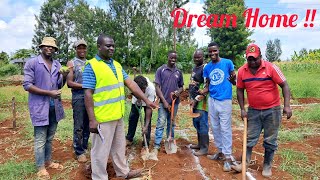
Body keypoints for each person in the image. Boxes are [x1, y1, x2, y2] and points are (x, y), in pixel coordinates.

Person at [82, 34, 157, 180]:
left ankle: (123, 172)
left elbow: (132, 84)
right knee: (100, 152)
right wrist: (92, 120)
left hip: (118, 115)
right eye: (108, 45)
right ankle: (99, 177)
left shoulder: (116, 65)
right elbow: (88, 94)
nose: (111, 48)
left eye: (113, 46)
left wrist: (146, 101)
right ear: (99, 47)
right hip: (102, 118)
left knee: (118, 147)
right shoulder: (92, 66)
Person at [235, 43, 292, 177]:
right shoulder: (242, 71)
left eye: (255, 58)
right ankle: (244, 163)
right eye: (250, 59)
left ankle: (267, 166)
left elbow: (285, 85)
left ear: (260, 56)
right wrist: (242, 109)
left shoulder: (271, 68)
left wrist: (287, 106)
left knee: (270, 140)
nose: (252, 61)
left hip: (272, 110)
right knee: (249, 138)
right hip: (253, 111)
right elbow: (239, 90)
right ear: (246, 58)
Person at [23, 37, 68, 179]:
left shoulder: (57, 64)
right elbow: (27, 85)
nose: (49, 49)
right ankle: (40, 167)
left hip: (54, 107)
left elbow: (59, 86)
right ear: (41, 47)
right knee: (40, 138)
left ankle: (48, 162)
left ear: (55, 50)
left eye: (52, 47)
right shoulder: (33, 63)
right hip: (39, 107)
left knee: (49, 137)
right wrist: (49, 93)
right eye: (47, 46)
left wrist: (65, 77)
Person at [200, 42, 237, 172]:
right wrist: (201, 92)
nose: (212, 54)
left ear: (218, 50)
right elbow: (207, 85)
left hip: (225, 100)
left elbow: (234, 80)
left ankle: (227, 157)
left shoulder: (227, 63)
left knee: (225, 128)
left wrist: (233, 80)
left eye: (214, 51)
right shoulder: (207, 67)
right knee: (215, 127)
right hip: (212, 100)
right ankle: (220, 152)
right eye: (210, 52)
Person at [152, 50, 184, 155]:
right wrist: (164, 101)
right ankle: (157, 145)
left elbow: (181, 87)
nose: (173, 60)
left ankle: (170, 140)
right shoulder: (161, 70)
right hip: (163, 102)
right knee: (161, 123)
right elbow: (157, 87)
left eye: (175, 58)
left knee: (172, 123)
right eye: (171, 57)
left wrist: (178, 92)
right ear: (168, 57)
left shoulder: (178, 72)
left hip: (175, 103)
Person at [66, 39, 89, 163]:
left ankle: (84, 146)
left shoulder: (90, 63)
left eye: (83, 48)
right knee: (79, 125)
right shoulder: (72, 63)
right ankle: (79, 151)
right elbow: (69, 83)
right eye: (79, 48)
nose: (82, 50)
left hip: (89, 96)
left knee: (88, 123)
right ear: (75, 49)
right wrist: (85, 85)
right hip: (78, 97)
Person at [188, 50, 209, 156]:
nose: (196, 59)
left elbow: (206, 86)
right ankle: (200, 144)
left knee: (202, 123)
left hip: (201, 101)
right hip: (193, 100)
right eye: (195, 57)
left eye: (198, 57)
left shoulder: (205, 68)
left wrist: (196, 99)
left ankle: (204, 148)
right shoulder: (195, 68)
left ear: (203, 57)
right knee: (196, 122)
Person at [126, 75, 156, 147]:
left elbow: (149, 108)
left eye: (143, 90)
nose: (142, 92)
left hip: (148, 101)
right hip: (136, 101)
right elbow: (131, 94)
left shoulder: (151, 89)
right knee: (133, 118)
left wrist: (145, 126)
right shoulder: (133, 86)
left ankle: (146, 143)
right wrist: (138, 98)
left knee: (147, 122)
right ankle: (129, 139)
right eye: (140, 91)